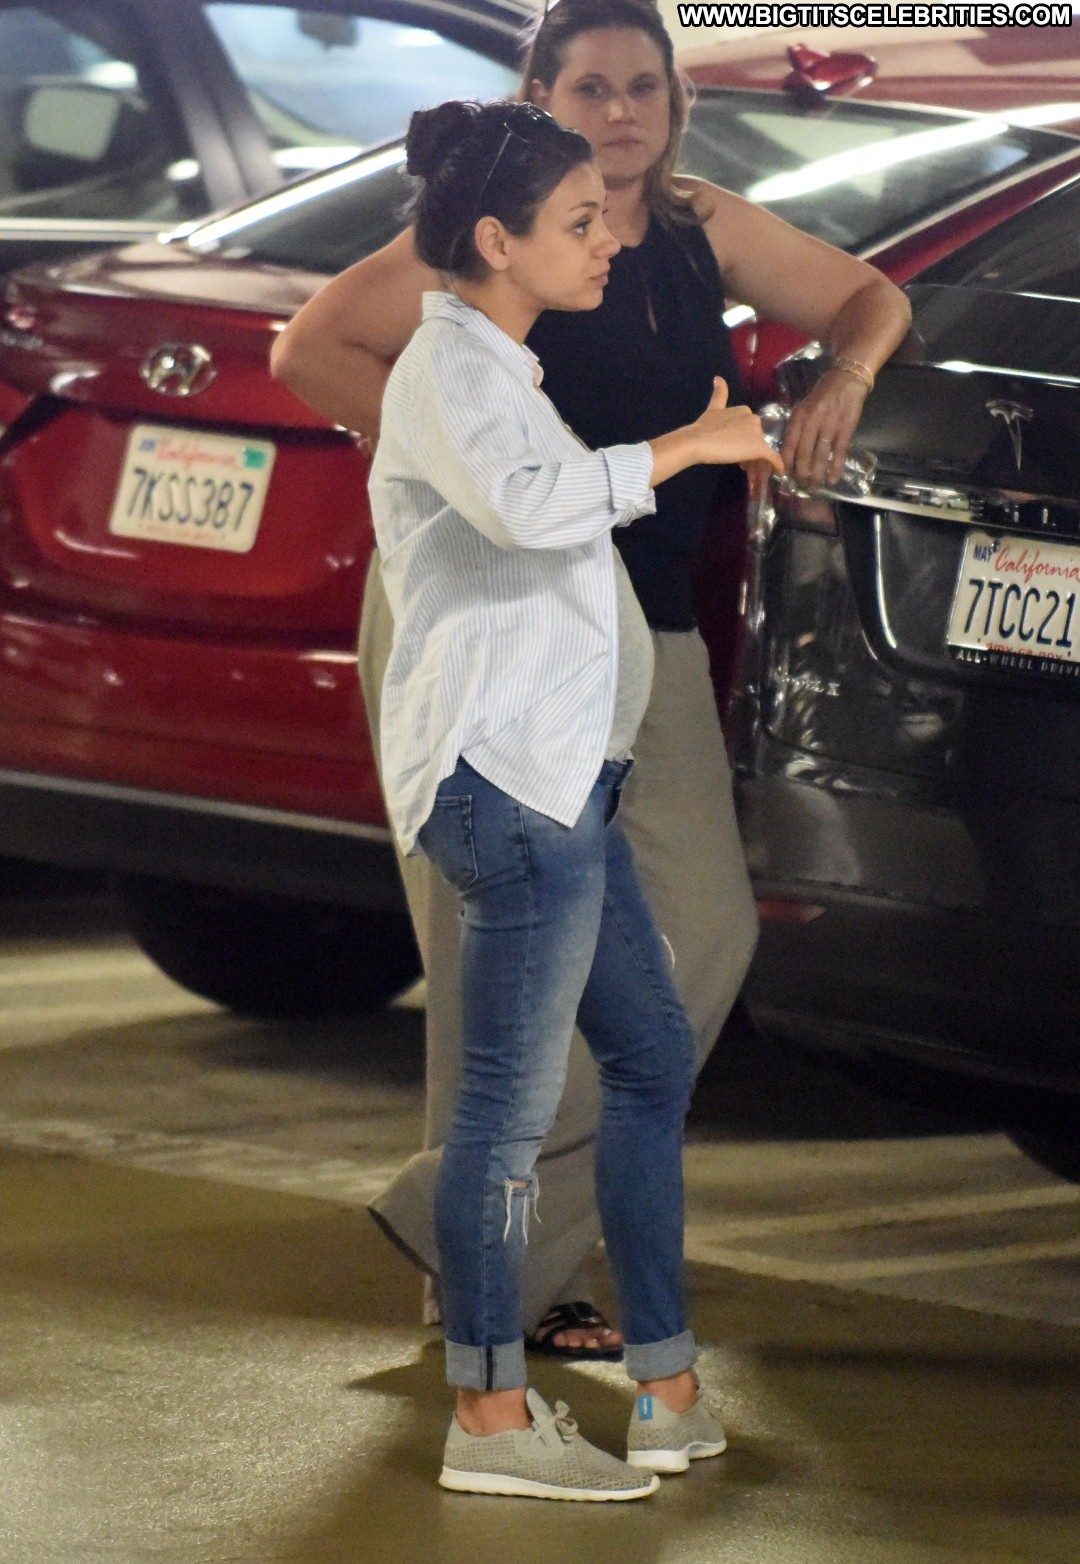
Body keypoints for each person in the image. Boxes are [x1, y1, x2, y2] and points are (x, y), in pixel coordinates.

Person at [270, 0, 912, 1359]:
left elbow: (874, 294)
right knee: (490, 961)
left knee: (703, 935)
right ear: (541, 99)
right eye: (590, 88)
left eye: (644, 87)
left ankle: (461, 1215)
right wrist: (478, 468)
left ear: (678, 103)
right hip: (492, 624)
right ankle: (498, 1289)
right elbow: (310, 347)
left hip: (636, 625)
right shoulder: (493, 231)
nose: (620, 111)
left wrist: (842, 379)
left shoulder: (696, 229)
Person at [367, 93, 783, 1499]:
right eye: (579, 222)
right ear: (498, 239)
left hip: (563, 788)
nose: (608, 240)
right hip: (507, 786)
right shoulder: (451, 370)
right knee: (506, 1111)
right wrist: (684, 449)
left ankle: (665, 1385)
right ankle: (489, 1420)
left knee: (649, 1062)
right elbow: (531, 508)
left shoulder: (507, 367)